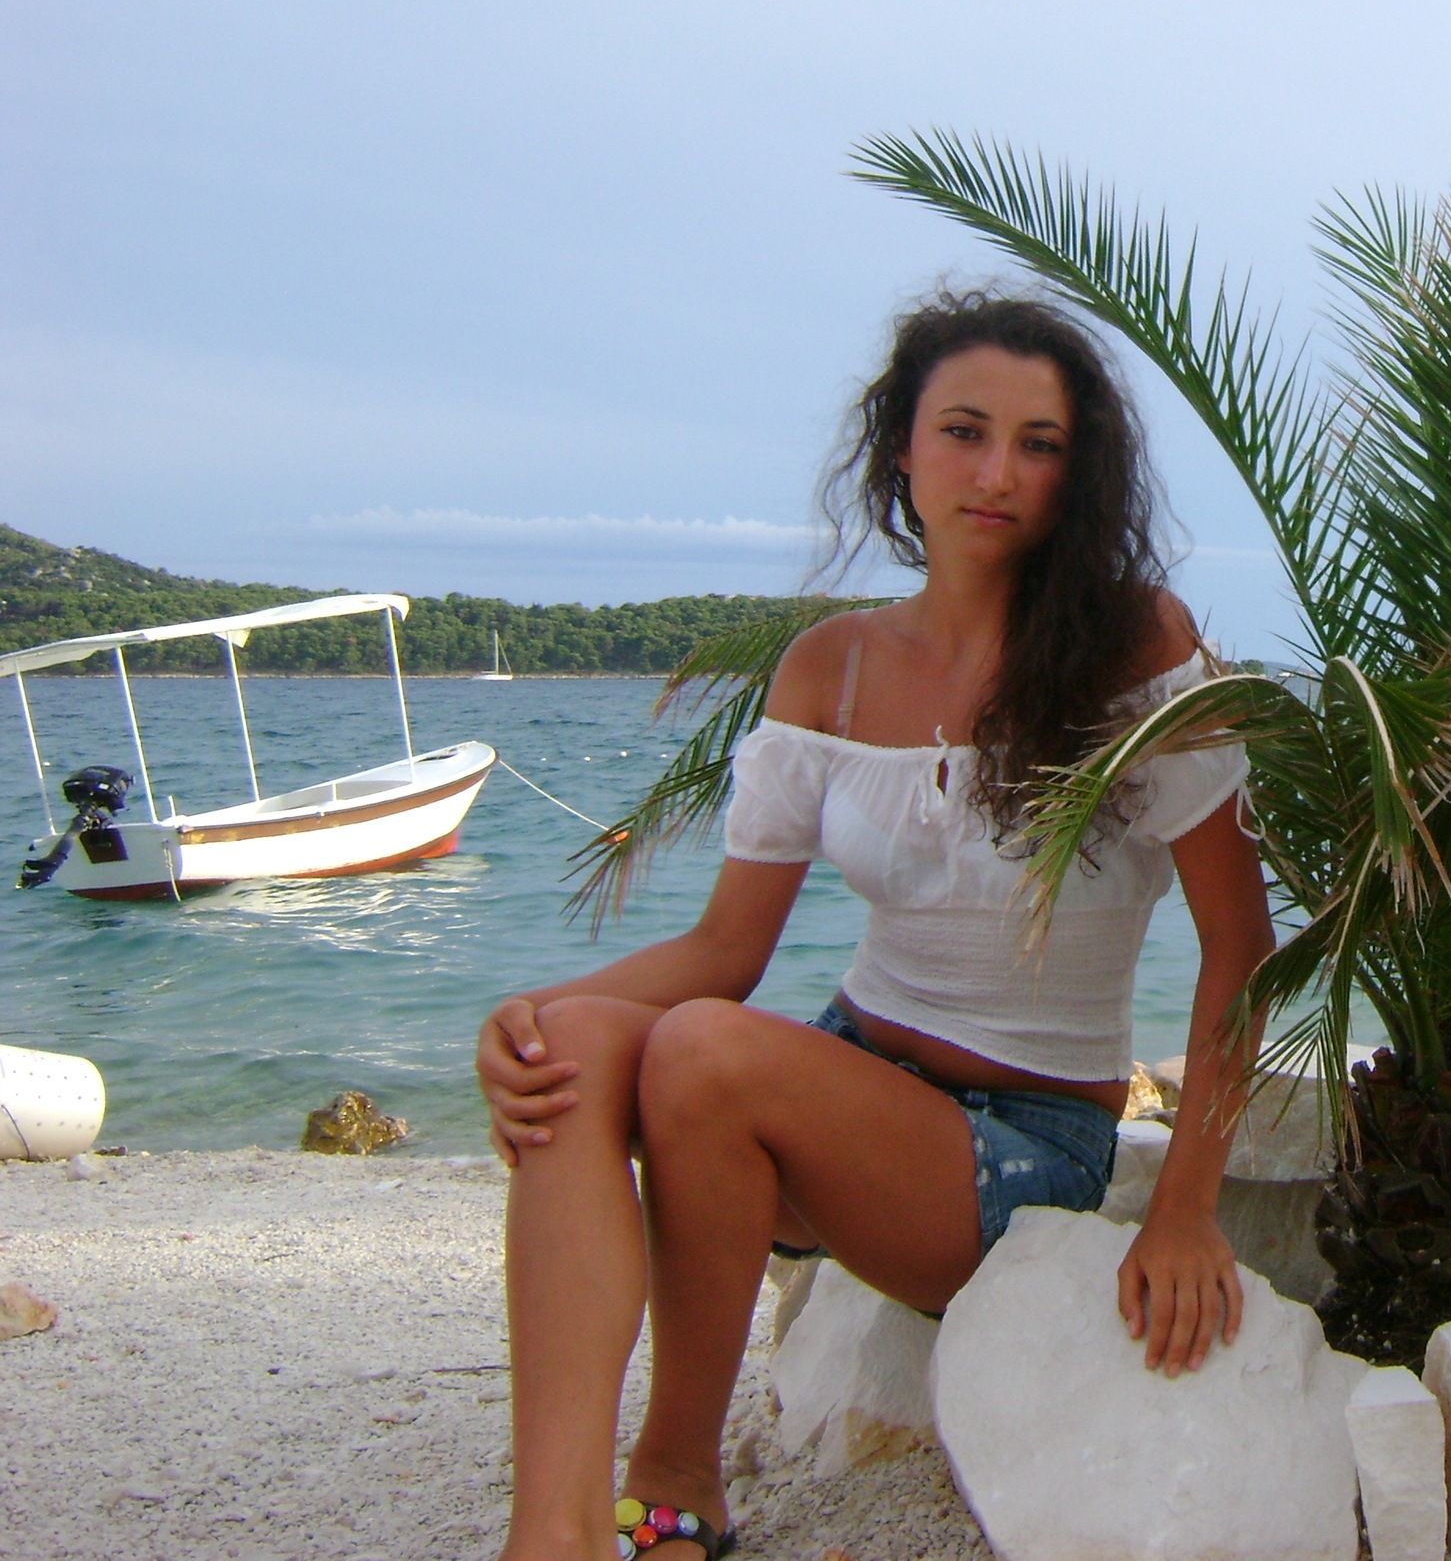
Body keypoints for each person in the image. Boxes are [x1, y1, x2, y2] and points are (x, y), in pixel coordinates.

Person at [477, 292, 1272, 1561]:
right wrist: (526, 1019)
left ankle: (674, 1470)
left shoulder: (1135, 647)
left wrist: (1185, 1208)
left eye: (1039, 444)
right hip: (837, 1084)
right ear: (900, 447)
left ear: (1077, 474)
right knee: (570, 1046)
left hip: (1017, 1148)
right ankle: (559, 1531)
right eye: (963, 431)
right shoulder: (831, 666)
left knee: (701, 1050)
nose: (996, 473)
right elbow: (723, 953)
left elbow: (1240, 941)